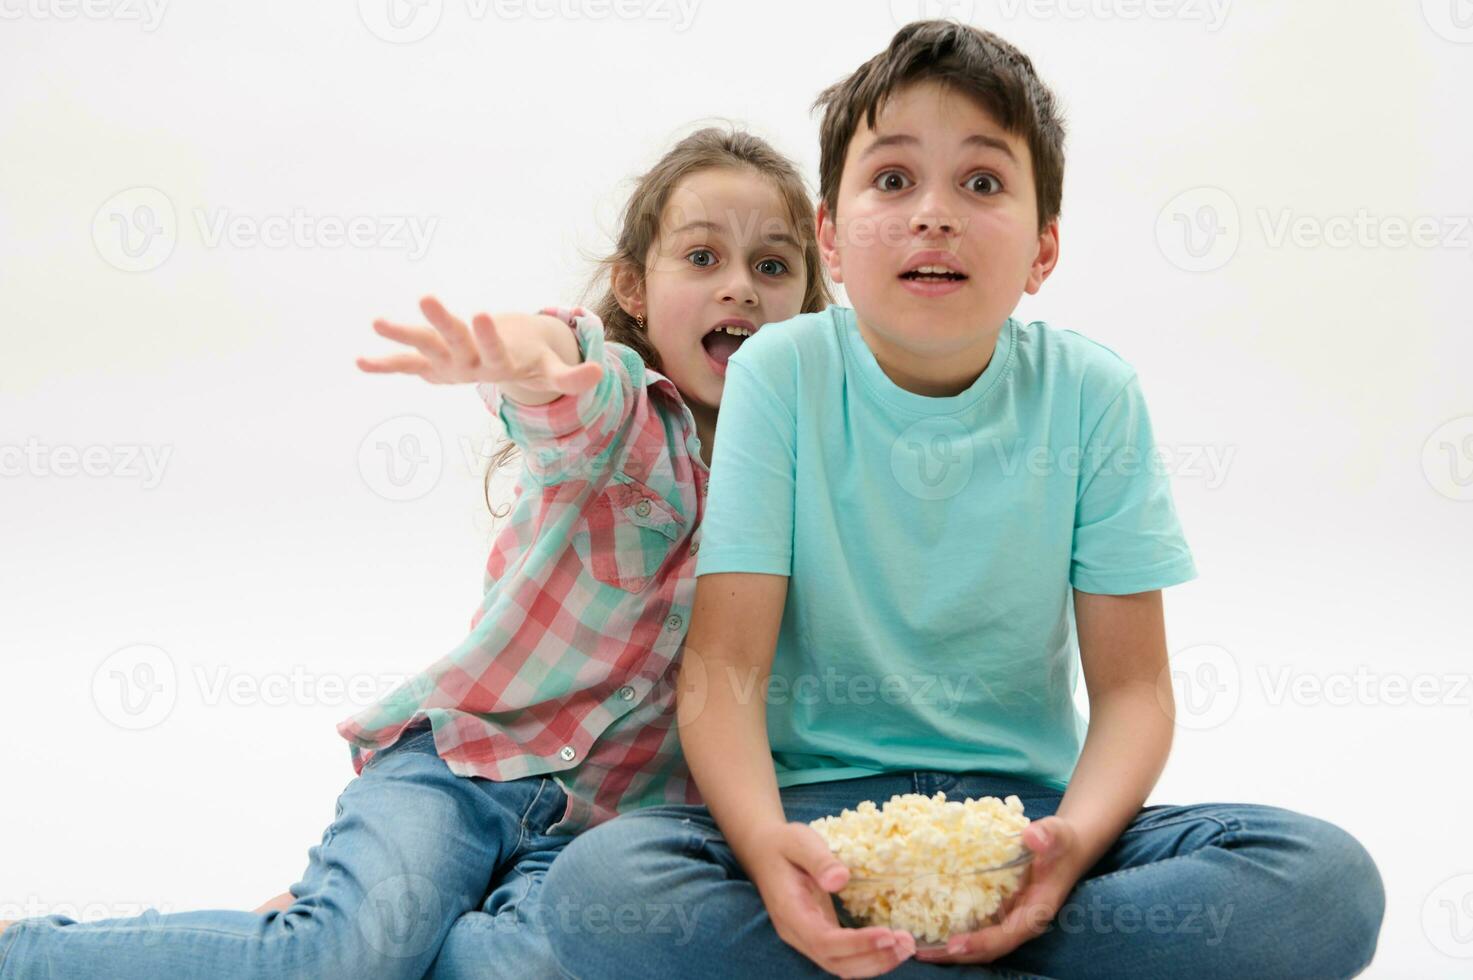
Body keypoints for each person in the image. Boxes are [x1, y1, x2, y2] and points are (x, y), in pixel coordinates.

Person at [533, 21, 1387, 979]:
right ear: (831, 240)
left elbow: (1135, 691)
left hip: (1026, 830)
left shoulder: (1091, 395)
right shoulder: (783, 373)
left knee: (1327, 882)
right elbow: (724, 667)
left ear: (1041, 248)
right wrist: (774, 860)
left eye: (981, 184)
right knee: (602, 889)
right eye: (892, 181)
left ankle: (906, 960)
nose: (932, 214)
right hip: (818, 822)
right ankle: (924, 953)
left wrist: (1068, 851)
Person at [0, 126, 830, 980]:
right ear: (634, 287)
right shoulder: (617, 401)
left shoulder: (800, 471)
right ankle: (27, 954)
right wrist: (515, 358)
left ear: (808, 301)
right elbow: (555, 363)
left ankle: (367, 934)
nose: (740, 287)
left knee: (539, 964)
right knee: (341, 954)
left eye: (772, 266)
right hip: (467, 767)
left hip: (605, 828)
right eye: (701, 258)